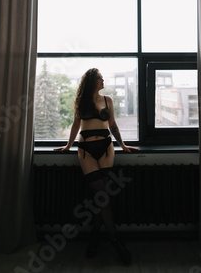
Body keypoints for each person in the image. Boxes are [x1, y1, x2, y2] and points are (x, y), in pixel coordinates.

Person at [54, 68, 138, 265]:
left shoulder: (108, 100)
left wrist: (123, 145)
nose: (103, 80)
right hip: (86, 150)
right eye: (100, 78)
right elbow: (76, 125)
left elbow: (113, 125)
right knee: (102, 196)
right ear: (92, 81)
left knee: (102, 197)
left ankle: (95, 238)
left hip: (106, 148)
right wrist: (67, 145)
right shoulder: (81, 101)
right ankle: (114, 240)